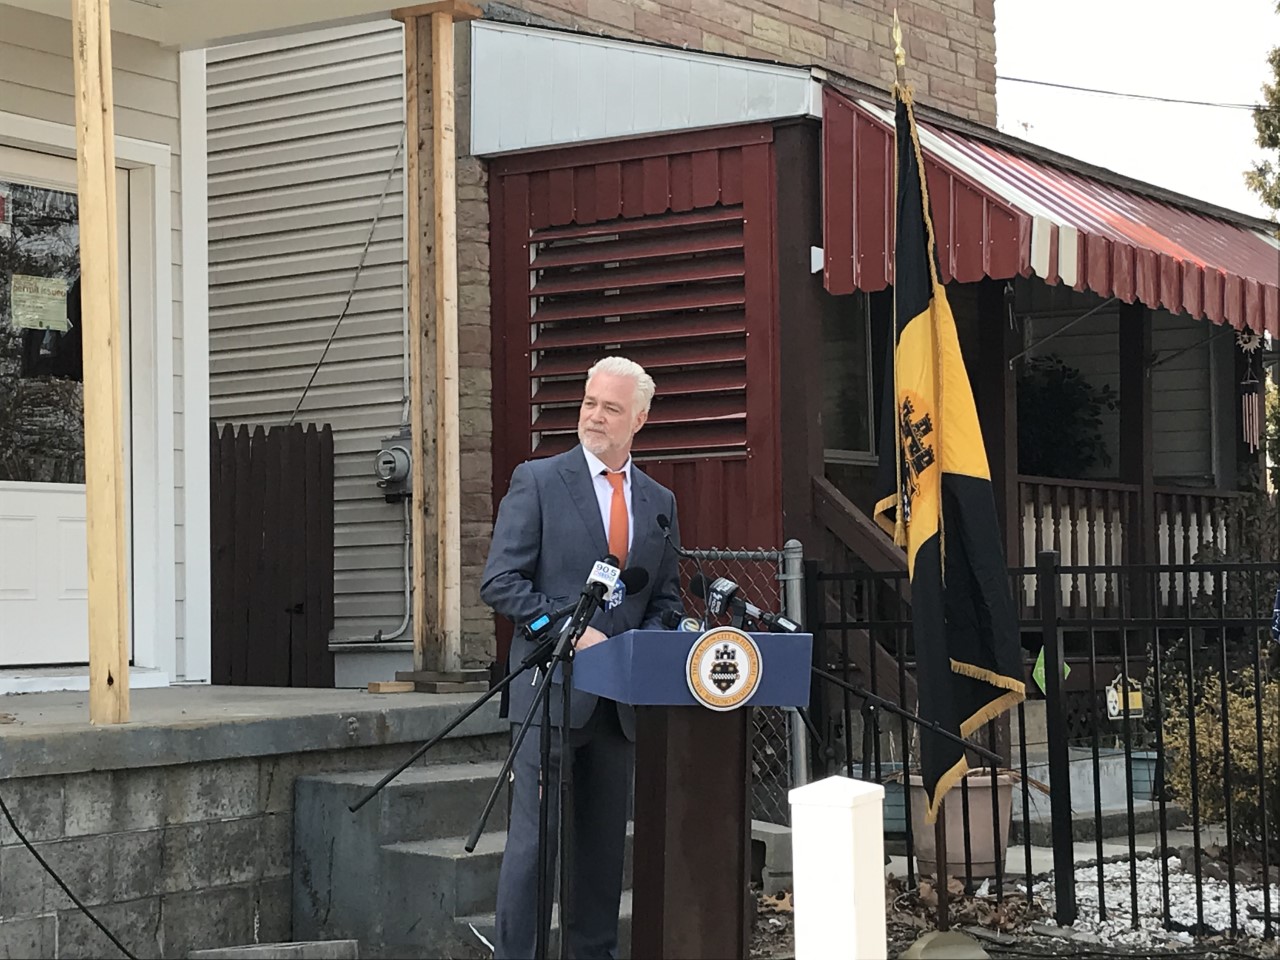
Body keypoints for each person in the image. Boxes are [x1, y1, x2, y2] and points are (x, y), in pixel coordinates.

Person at [480, 355, 683, 960]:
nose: (595, 416)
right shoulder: (539, 481)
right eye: (590, 402)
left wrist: (649, 640)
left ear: (639, 419)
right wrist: (568, 628)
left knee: (600, 850)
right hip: (549, 696)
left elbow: (664, 595)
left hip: (617, 705)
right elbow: (501, 582)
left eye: (611, 408)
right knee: (534, 847)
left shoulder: (659, 500)